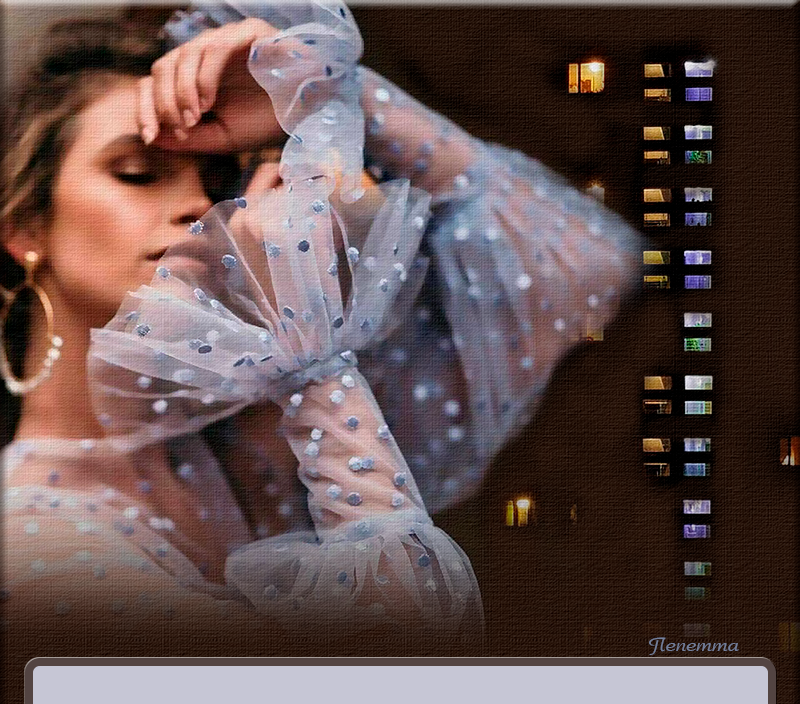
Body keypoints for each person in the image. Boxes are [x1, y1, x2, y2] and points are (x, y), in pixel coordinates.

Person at [1, 0, 647, 661]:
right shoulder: (30, 542)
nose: (199, 205)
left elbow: (591, 270)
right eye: (138, 173)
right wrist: (305, 345)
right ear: (23, 230)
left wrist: (328, 92)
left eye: (218, 180)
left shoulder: (252, 437)